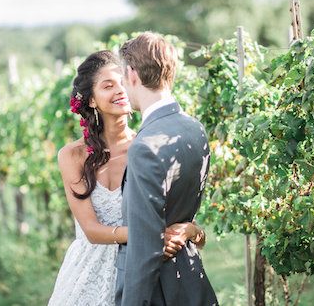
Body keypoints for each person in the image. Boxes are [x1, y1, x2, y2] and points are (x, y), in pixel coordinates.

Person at [48, 50, 206, 306]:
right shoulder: (72, 155)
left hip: (139, 269)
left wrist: (188, 230)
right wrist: (150, 236)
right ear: (91, 101)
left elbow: (190, 227)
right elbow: (91, 230)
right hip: (86, 273)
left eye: (123, 82)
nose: (119, 90)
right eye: (108, 86)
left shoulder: (150, 148)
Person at [115, 33, 218, 306]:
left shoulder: (144, 146)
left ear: (132, 74)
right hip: (190, 278)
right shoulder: (194, 128)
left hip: (157, 292)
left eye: (123, 78)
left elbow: (144, 250)